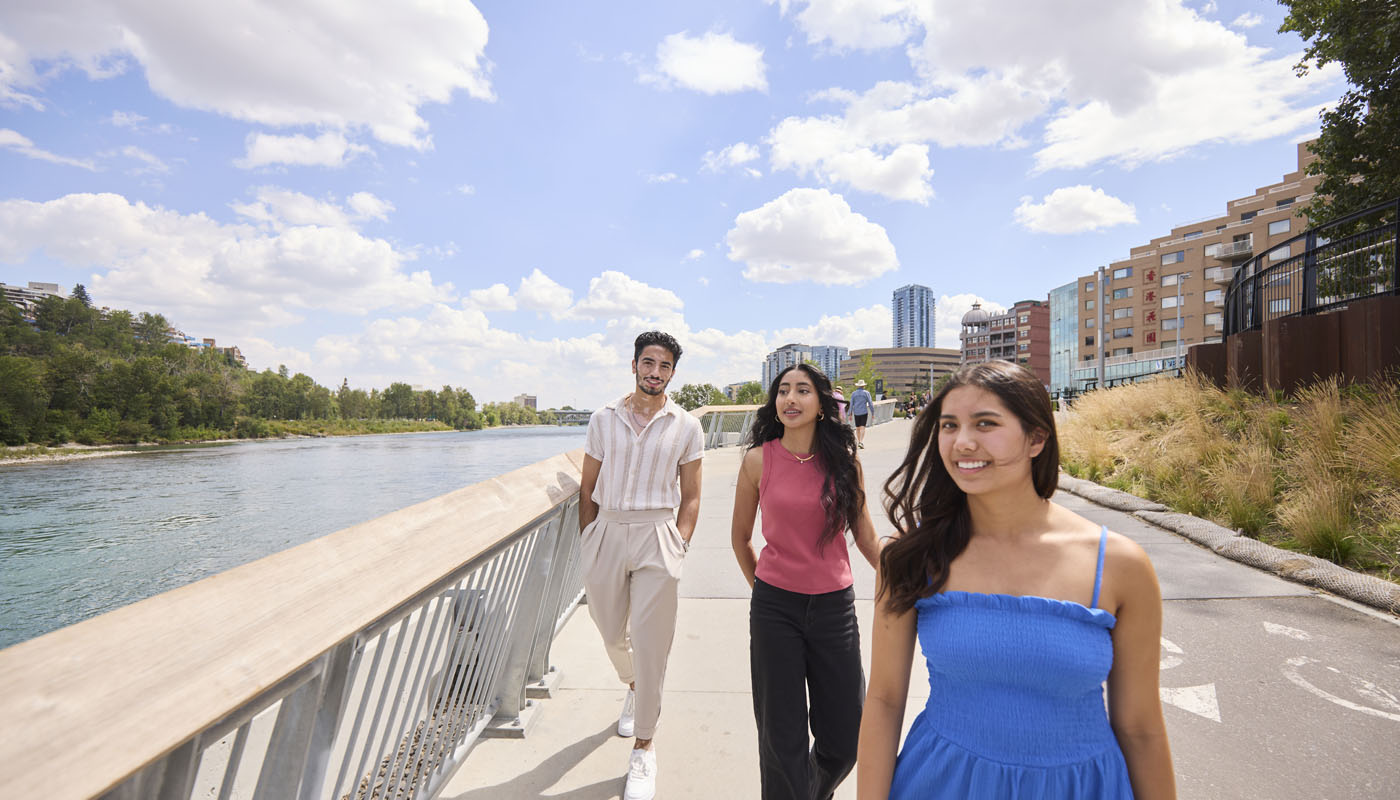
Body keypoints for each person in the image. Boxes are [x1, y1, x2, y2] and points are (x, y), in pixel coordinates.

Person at [856, 361, 1175, 800]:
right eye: (949, 425)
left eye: (986, 423)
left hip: (1079, 788)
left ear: (1037, 438)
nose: (963, 442)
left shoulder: (1121, 565)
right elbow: (885, 700)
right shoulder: (911, 556)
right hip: (941, 782)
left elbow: (1140, 727)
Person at [731, 364, 882, 800]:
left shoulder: (845, 463)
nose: (790, 399)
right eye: (782, 391)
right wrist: (765, 594)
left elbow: (867, 535)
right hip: (775, 609)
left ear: (821, 404)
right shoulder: (759, 460)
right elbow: (741, 540)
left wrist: (903, 578)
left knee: (846, 736)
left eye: (801, 390)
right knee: (781, 738)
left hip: (835, 609)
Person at [579, 331, 705, 800]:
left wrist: (679, 544)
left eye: (665, 366)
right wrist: (589, 539)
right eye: (648, 363)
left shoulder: (687, 426)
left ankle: (644, 748)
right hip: (607, 531)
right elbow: (587, 486)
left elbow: (691, 495)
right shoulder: (602, 419)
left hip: (658, 536)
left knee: (652, 646)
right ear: (634, 365)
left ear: (673, 372)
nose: (655, 372)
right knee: (610, 630)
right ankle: (633, 684)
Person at [848, 380, 873, 449]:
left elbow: (851, 404)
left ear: (858, 386)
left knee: (857, 428)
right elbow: (870, 403)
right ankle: (861, 442)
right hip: (864, 412)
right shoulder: (866, 393)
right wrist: (873, 412)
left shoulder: (853, 394)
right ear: (863, 386)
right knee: (863, 427)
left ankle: (859, 441)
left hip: (856, 412)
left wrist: (850, 414)